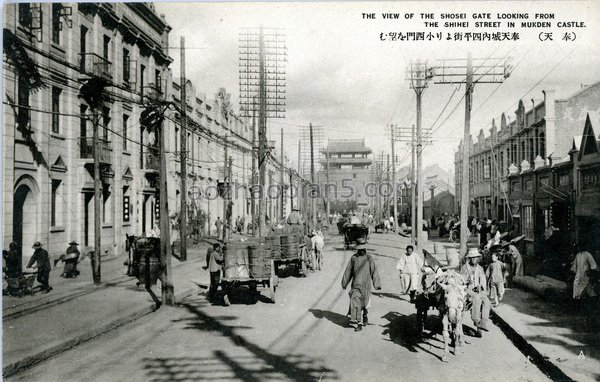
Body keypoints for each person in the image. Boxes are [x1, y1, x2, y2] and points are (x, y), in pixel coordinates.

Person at [341, 238, 381, 332]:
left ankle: (365, 315)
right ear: (357, 249)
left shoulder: (369, 258)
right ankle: (359, 323)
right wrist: (344, 283)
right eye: (360, 249)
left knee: (365, 304)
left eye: (363, 249)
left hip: (366, 286)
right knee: (356, 302)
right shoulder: (353, 258)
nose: (361, 251)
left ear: (365, 249)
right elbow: (348, 271)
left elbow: (374, 271)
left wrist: (377, 284)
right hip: (356, 285)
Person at [461, 248, 490, 337]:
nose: (474, 260)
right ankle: (476, 320)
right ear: (469, 259)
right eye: (472, 258)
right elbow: (461, 280)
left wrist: (481, 285)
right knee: (476, 299)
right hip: (468, 290)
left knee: (486, 301)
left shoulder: (480, 268)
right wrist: (467, 282)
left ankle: (483, 321)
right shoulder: (464, 268)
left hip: (478, 290)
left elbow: (483, 280)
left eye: (476, 258)